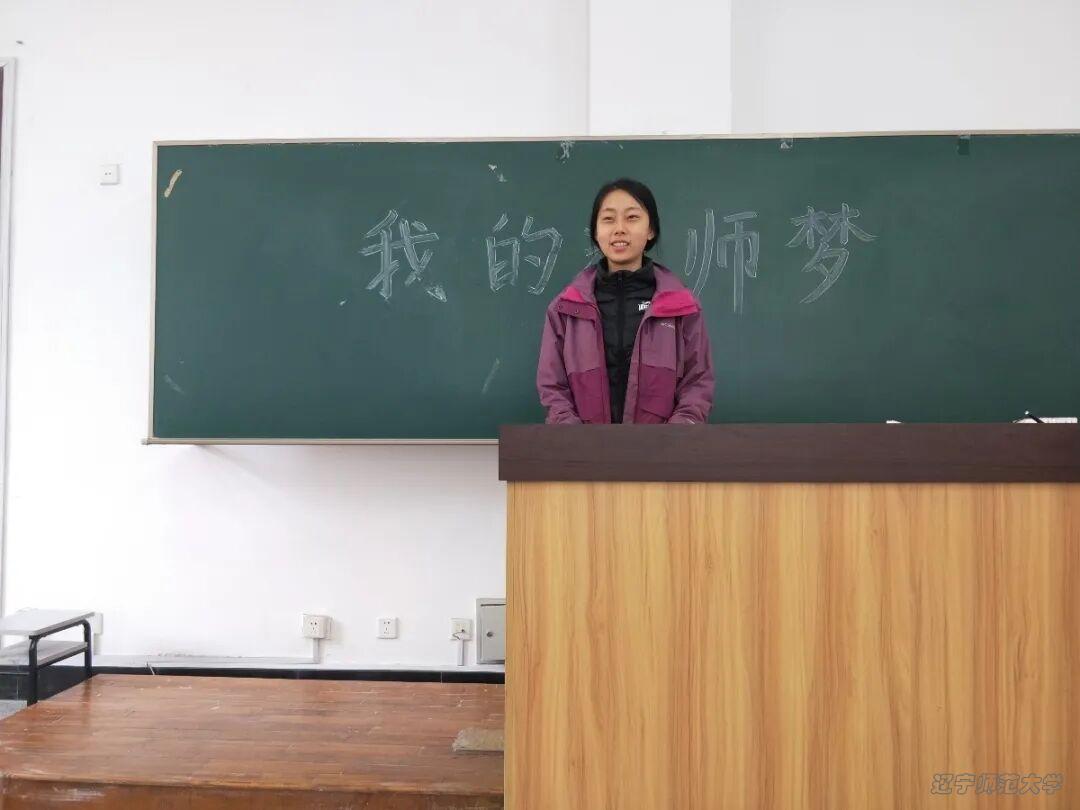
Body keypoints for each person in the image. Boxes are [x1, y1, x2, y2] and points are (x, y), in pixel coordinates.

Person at [537, 178, 714, 424]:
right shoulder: (566, 308)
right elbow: (552, 385)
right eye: (608, 219)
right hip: (583, 446)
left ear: (651, 230)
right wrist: (575, 437)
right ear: (596, 232)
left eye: (632, 217)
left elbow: (697, 382)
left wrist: (673, 436)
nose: (619, 229)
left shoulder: (682, 306)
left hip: (663, 446)